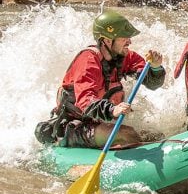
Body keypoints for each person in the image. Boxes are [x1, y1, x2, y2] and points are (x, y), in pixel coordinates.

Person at [34, 11, 165, 148]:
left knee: (154, 136)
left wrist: (156, 68)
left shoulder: (126, 57)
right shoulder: (88, 61)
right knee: (128, 134)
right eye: (124, 38)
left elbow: (152, 84)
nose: (129, 41)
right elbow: (85, 101)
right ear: (107, 40)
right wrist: (112, 110)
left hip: (98, 123)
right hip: (74, 126)